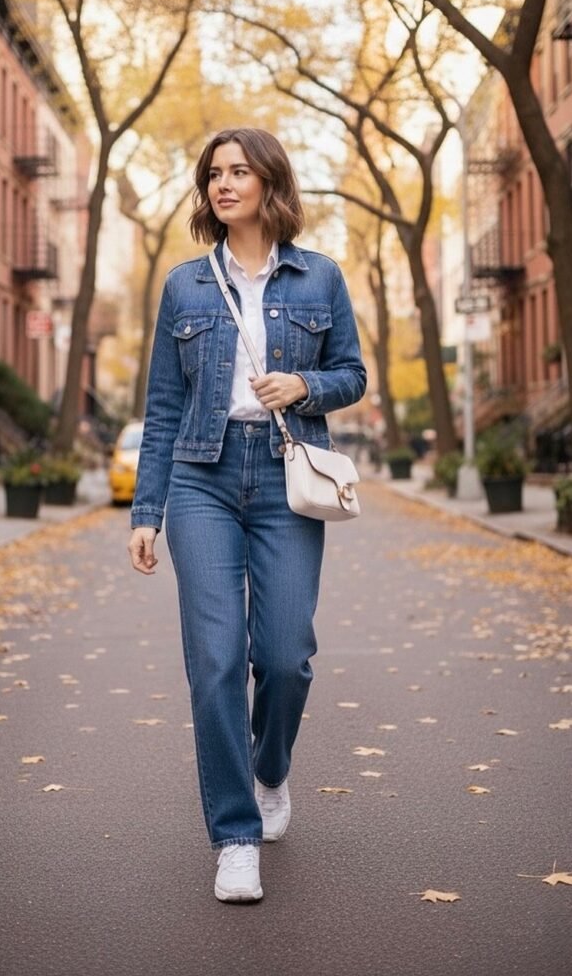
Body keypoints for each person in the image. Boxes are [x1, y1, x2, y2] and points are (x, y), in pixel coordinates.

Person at [128, 127, 366, 903]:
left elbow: (353, 374)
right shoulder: (185, 286)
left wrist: (304, 386)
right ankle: (235, 835)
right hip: (201, 477)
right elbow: (163, 406)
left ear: (270, 183)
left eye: (239, 171)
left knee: (287, 653)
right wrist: (147, 508)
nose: (223, 184)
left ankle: (270, 769)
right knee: (218, 659)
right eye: (213, 174)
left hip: (283, 475)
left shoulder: (320, 277)